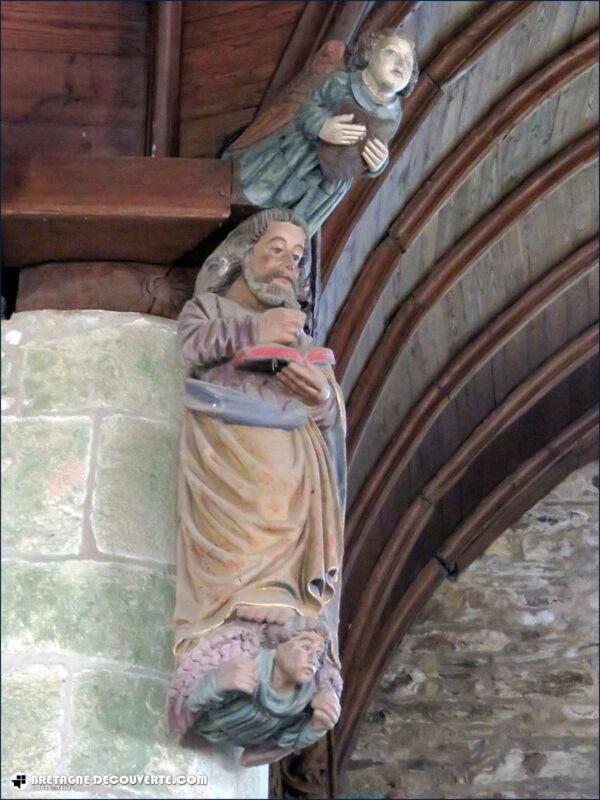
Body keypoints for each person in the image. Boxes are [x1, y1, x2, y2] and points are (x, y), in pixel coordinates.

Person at [173, 208, 346, 668]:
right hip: (227, 447)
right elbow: (192, 344)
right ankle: (228, 616)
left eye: (296, 257)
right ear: (243, 255)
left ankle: (283, 603)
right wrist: (255, 331)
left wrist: (321, 395)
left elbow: (329, 412)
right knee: (243, 527)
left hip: (292, 456)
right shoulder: (210, 307)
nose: (289, 264)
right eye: (276, 250)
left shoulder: (299, 335)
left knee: (282, 513)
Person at [223, 28, 418, 233]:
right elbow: (306, 109)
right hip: (301, 156)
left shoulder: (394, 115)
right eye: (392, 52)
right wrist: (322, 127)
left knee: (292, 228)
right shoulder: (341, 82)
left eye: (408, 61)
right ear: (369, 53)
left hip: (331, 181)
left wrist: (378, 164)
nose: (402, 63)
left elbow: (375, 148)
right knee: (258, 201)